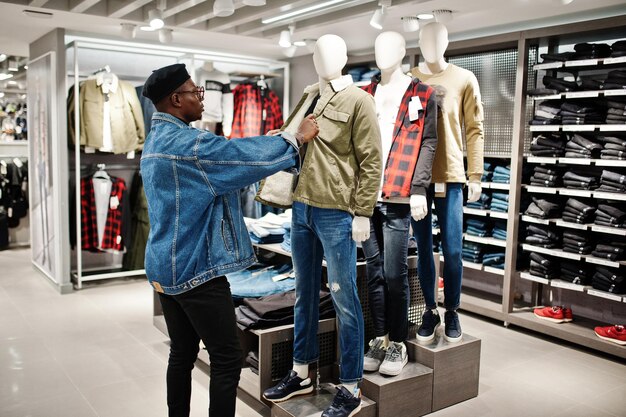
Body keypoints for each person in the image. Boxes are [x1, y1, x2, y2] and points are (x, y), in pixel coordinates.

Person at [140, 63, 318, 417]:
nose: (202, 99)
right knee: (226, 359)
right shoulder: (189, 144)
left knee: (182, 353)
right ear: (176, 99)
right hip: (197, 269)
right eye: (196, 92)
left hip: (164, 265)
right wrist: (294, 139)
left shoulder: (156, 140)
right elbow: (239, 156)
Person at [263, 34, 381, 417]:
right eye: (315, 53)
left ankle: (350, 386)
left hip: (336, 212)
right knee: (303, 293)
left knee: (344, 297)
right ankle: (301, 371)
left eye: (329, 53)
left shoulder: (360, 101)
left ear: (346, 57)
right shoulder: (310, 94)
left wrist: (362, 212)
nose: (321, 60)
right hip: (302, 208)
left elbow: (371, 160)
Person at [361, 31, 438, 375]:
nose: (381, 53)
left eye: (389, 46)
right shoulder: (365, 93)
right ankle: (378, 337)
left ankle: (397, 343)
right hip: (366, 196)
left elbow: (428, 142)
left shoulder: (423, 93)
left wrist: (419, 188)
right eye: (376, 46)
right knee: (373, 274)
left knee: (395, 275)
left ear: (403, 52)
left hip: (398, 195)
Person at [410, 22, 485, 343]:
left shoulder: (464, 79)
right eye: (424, 39)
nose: (430, 45)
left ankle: (452, 309)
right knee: (423, 249)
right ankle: (430, 308)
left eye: (437, 39)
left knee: (453, 250)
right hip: (417, 178)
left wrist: (476, 175)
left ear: (447, 42)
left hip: (451, 176)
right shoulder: (409, 79)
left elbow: (474, 128)